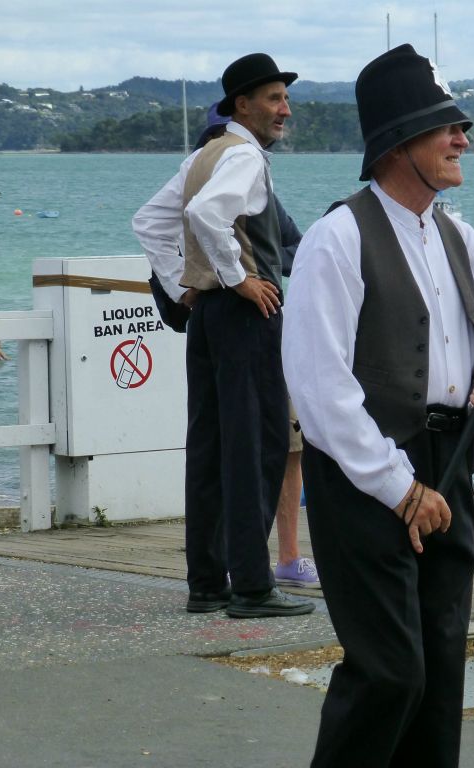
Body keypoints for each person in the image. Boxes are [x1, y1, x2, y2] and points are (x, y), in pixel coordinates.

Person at [282, 44, 474, 768]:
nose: (462, 140)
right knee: (390, 671)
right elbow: (321, 390)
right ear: (397, 141)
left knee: (443, 670)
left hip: (449, 465)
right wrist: (398, 487)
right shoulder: (337, 238)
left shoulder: (463, 237)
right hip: (364, 478)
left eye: (459, 127)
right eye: (444, 127)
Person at [131, 52, 313, 618]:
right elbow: (210, 215)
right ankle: (254, 588)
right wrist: (239, 280)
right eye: (274, 99)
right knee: (254, 447)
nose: (285, 109)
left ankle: (207, 582)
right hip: (245, 318)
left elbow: (149, 222)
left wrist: (185, 286)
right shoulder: (244, 158)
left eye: (285, 98)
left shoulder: (204, 154)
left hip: (206, 320)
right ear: (243, 104)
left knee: (209, 448)